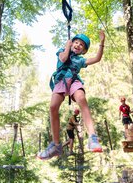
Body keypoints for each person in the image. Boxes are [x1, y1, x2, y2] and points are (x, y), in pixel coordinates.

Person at [37, 30, 105, 160]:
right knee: (53, 107)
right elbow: (63, 58)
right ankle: (56, 145)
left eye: (81, 45)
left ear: (83, 51)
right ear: (71, 43)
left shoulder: (80, 60)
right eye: (76, 42)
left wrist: (101, 43)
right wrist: (67, 46)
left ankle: (92, 137)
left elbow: (97, 59)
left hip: (73, 80)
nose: (78, 45)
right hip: (61, 80)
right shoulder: (62, 51)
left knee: (81, 99)